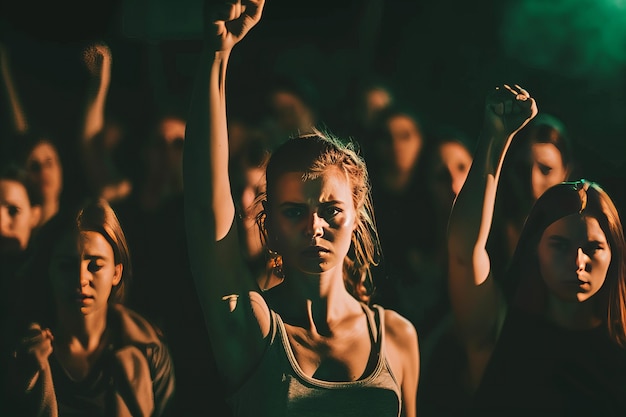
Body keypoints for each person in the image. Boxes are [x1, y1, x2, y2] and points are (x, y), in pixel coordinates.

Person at [183, 1, 419, 416]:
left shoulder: (397, 336)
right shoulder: (252, 325)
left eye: (331, 210)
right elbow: (206, 212)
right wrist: (216, 55)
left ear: (358, 211)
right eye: (293, 211)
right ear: (268, 225)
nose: (315, 227)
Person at [447, 84, 626, 416]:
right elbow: (464, 251)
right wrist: (494, 138)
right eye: (560, 245)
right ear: (535, 250)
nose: (578, 262)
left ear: (615, 252)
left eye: (594, 247)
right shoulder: (500, 328)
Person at [3, 198, 176, 416]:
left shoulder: (148, 351)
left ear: (116, 273)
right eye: (66, 265)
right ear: (49, 271)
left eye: (95, 265)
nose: (81, 278)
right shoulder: (20, 350)